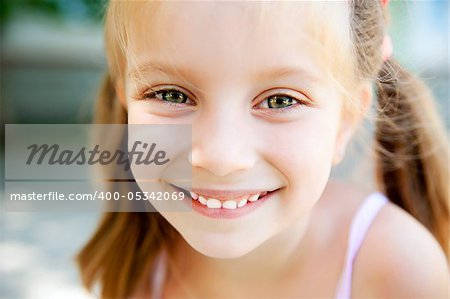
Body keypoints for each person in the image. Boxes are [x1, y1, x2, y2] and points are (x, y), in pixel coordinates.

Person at [77, 1, 450, 298]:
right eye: (171, 95)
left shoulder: (398, 272)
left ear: (346, 120)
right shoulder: (138, 261)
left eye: (279, 101)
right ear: (125, 99)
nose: (220, 157)